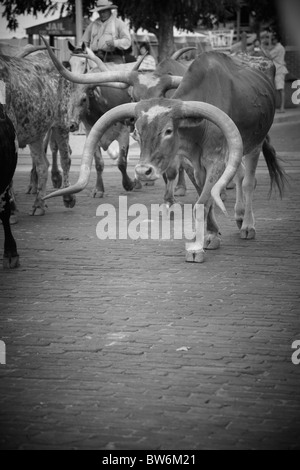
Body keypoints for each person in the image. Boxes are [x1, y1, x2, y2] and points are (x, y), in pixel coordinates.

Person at [262, 33, 289, 113]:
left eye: (273, 39)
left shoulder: (278, 48)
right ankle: (280, 107)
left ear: (277, 40)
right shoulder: (279, 47)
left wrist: (262, 48)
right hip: (279, 69)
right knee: (279, 89)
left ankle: (282, 108)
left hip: (279, 70)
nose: (272, 40)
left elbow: (269, 56)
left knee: (280, 89)